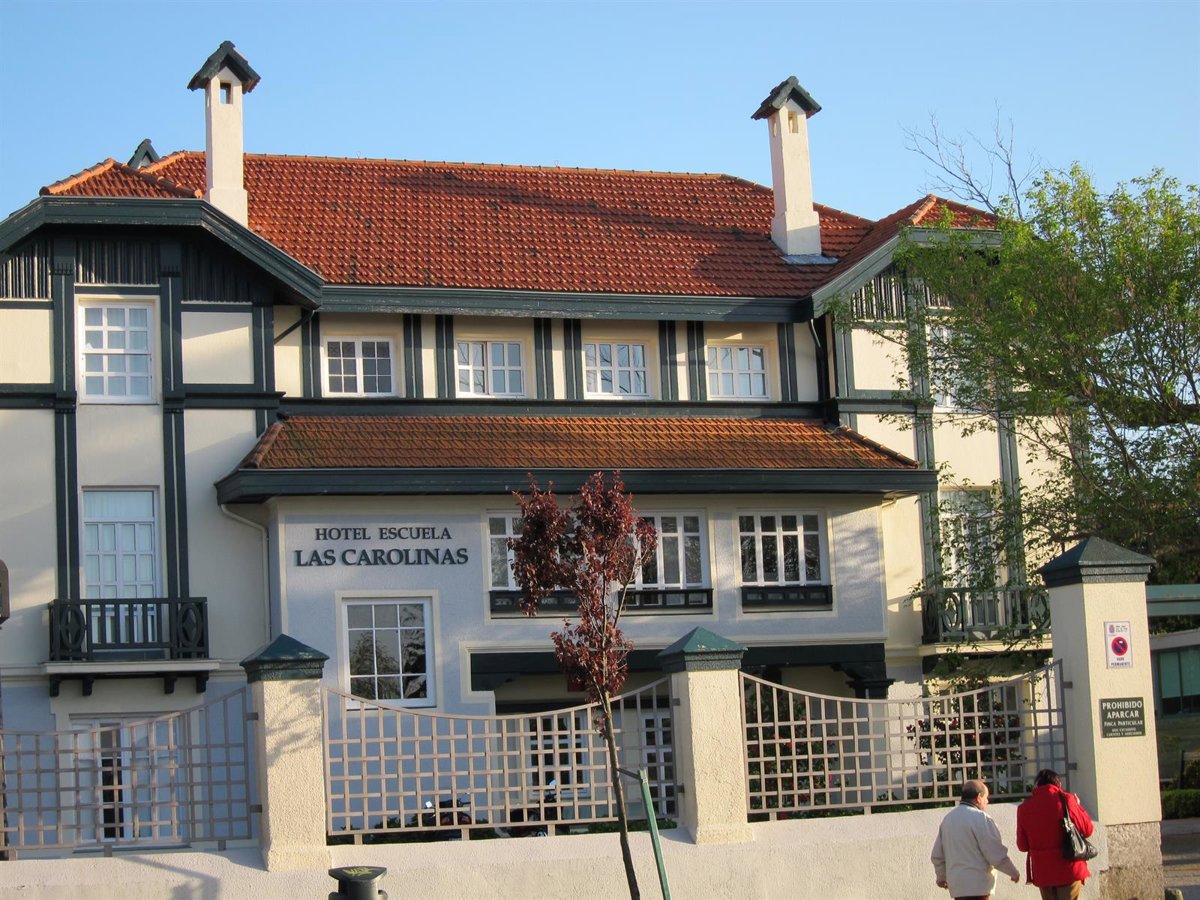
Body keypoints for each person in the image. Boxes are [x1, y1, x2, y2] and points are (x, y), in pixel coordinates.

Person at [931, 779, 1022, 899]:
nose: (987, 801)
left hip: (957, 887)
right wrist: (1013, 872)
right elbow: (994, 853)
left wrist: (941, 877)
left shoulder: (948, 819)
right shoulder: (981, 818)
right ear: (979, 797)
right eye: (986, 797)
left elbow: (937, 855)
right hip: (978, 886)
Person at [1017, 769, 1096, 900]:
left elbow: (1022, 846)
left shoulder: (1024, 808)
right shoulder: (1067, 800)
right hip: (1069, 869)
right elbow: (1088, 829)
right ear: (1058, 784)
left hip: (1043, 873)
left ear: (1037, 786)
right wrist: (1078, 806)